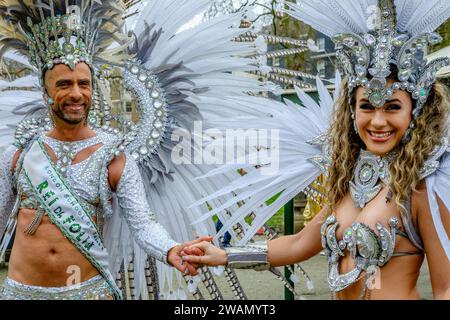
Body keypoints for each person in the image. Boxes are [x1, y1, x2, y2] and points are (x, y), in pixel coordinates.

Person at [181, 0, 450, 300]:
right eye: (366, 107)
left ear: (415, 111)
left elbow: (446, 288)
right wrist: (224, 255)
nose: (377, 121)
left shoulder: (423, 186)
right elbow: (298, 244)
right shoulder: (349, 180)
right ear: (351, 110)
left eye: (392, 107)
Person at [0, 0, 212, 300]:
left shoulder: (114, 158)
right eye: (64, 84)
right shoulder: (19, 155)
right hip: (20, 294)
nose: (76, 93)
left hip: (89, 293)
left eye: (83, 84)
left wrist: (171, 249)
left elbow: (143, 224)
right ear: (45, 91)